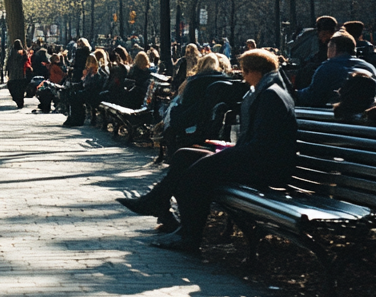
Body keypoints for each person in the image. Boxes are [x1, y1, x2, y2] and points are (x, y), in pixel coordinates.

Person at [117, 49, 297, 254]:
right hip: (255, 158)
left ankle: (189, 236)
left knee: (195, 173)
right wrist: (226, 149)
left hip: (266, 167)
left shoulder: (271, 96)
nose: (244, 79)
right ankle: (158, 204)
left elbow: (262, 146)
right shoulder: (267, 90)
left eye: (245, 73)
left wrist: (225, 152)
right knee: (185, 156)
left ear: (255, 71)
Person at [296, 31, 376, 107]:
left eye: (328, 48)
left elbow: (312, 97)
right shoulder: (370, 67)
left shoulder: (327, 67)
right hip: (369, 113)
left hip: (340, 115)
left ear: (334, 49)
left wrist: (294, 93)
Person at [6, 39, 30, 109]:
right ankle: (20, 100)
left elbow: (9, 61)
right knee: (21, 88)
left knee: (13, 86)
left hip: (13, 74)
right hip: (22, 73)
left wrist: (7, 70)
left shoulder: (12, 52)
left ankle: (16, 98)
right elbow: (26, 60)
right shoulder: (23, 52)